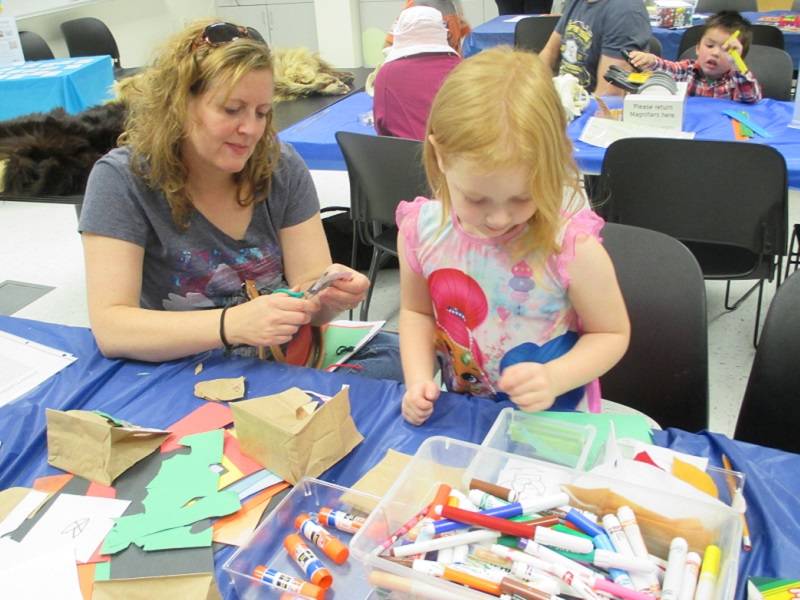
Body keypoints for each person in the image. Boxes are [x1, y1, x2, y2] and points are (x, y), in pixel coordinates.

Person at [79, 20, 401, 379]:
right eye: (232, 110)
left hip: (282, 358)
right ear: (179, 104)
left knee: (410, 358)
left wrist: (325, 298)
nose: (251, 130)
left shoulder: (280, 166)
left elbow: (309, 291)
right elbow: (112, 328)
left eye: (262, 113)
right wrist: (231, 324)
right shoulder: (123, 180)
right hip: (187, 367)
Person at [396, 47, 630, 425]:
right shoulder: (423, 232)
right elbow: (416, 311)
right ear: (440, 156)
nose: (499, 218)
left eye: (523, 196)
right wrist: (419, 379)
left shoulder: (570, 248)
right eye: (476, 198)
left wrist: (555, 377)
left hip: (551, 423)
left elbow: (611, 333)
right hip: (463, 414)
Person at [629, 11, 762, 104]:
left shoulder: (736, 80)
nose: (715, 53)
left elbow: (753, 97)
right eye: (710, 45)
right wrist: (651, 61)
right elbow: (668, 67)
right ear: (698, 48)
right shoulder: (687, 70)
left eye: (726, 50)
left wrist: (737, 64)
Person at [373, 6, 462, 140]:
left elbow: (382, 129)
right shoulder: (464, 69)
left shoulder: (387, 74)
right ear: (444, 33)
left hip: (408, 157)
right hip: (457, 156)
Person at [539, 0, 651, 96]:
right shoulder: (578, 2)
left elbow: (607, 96)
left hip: (588, 111)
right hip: (564, 101)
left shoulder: (625, 11)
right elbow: (549, 53)